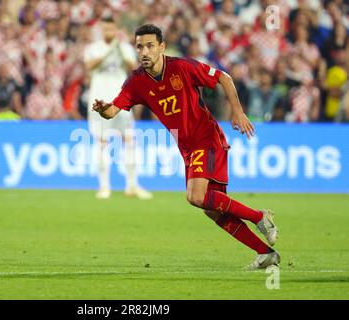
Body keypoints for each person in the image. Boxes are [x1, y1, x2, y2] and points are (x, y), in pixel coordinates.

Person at [93, 24, 280, 270]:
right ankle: (265, 253)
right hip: (187, 148)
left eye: (150, 46)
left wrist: (237, 112)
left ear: (162, 46)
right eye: (140, 47)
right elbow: (113, 111)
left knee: (195, 196)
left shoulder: (182, 67)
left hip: (207, 139)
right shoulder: (136, 81)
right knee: (212, 209)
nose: (144, 52)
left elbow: (224, 77)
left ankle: (259, 216)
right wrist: (103, 109)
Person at [84, 16, 152, 200]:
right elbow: (89, 67)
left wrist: (119, 49)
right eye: (105, 29)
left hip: (121, 100)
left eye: (111, 29)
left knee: (129, 141)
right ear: (100, 29)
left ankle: (132, 185)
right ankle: (104, 186)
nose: (108, 32)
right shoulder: (93, 48)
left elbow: (133, 68)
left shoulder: (125, 48)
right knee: (102, 142)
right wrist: (109, 51)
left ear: (116, 29)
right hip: (99, 101)